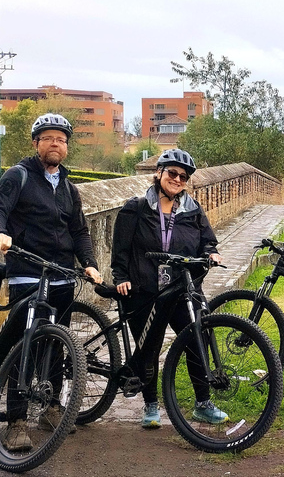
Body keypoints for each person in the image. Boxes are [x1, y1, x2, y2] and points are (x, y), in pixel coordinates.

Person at [0, 113, 103, 451]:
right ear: (36, 143)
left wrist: (89, 263)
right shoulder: (18, 176)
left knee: (56, 343)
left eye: (61, 139)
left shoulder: (70, 189)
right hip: (28, 270)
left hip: (61, 274)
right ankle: (16, 420)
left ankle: (51, 407)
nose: (55, 144)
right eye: (48, 138)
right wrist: (2, 233)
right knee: (25, 344)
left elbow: (79, 231)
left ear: (67, 147)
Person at [111, 148, 228, 428]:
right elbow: (121, 248)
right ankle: (151, 406)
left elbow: (207, 240)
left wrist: (211, 252)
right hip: (145, 289)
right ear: (159, 174)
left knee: (195, 343)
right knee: (148, 349)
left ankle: (203, 404)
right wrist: (120, 277)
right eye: (172, 173)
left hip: (182, 290)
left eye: (183, 177)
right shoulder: (136, 207)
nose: (177, 179)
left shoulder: (193, 209)